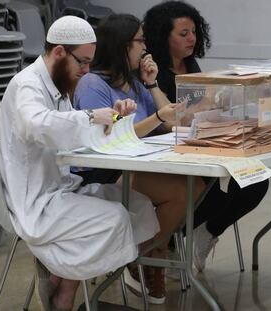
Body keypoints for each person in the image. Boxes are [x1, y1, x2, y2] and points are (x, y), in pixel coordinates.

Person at [0, 16, 159, 311]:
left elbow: (77, 135)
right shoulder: (27, 85)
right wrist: (90, 116)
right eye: (82, 62)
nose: (86, 71)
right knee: (114, 219)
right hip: (34, 199)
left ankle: (60, 273)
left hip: (62, 187)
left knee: (140, 206)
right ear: (59, 52)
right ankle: (65, 290)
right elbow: (40, 126)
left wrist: (114, 118)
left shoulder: (57, 84)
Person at [73, 13, 205, 304]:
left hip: (138, 163)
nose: (144, 48)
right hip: (102, 170)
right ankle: (143, 255)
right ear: (122, 45)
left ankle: (143, 252)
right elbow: (109, 139)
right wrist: (156, 117)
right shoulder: (93, 84)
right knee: (182, 191)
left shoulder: (134, 84)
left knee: (195, 186)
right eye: (139, 41)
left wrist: (152, 84)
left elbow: (171, 123)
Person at [143, 0, 269, 271]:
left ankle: (207, 232)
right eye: (183, 33)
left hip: (206, 144)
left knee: (257, 183)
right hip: (173, 153)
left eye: (194, 32)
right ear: (163, 36)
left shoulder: (191, 65)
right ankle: (173, 244)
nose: (192, 39)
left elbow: (201, 108)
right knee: (212, 197)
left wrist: (221, 102)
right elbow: (171, 117)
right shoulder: (151, 74)